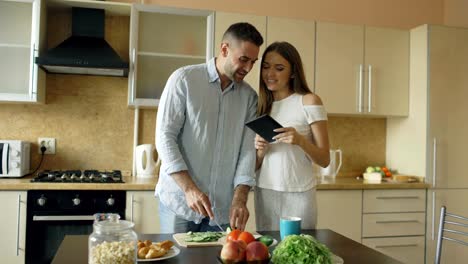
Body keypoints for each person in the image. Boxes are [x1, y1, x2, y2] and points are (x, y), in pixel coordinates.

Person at [155, 22, 264, 233]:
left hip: (222, 211)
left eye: (253, 62)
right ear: (224, 49)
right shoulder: (184, 80)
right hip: (179, 204)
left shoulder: (249, 98)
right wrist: (189, 189)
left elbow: (247, 152)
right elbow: (164, 137)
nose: (249, 68)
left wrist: (240, 199)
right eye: (243, 59)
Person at [254, 41, 330, 231]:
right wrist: (261, 151)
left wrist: (300, 141)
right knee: (269, 252)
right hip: (266, 192)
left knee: (299, 254)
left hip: (300, 193)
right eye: (265, 67)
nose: (270, 74)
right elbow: (255, 165)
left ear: (293, 72)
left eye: (279, 68)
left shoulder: (309, 101)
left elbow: (325, 159)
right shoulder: (260, 106)